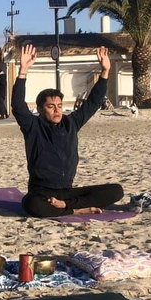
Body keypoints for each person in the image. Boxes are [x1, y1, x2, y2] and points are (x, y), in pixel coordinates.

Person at [12, 44, 123, 217]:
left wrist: (105, 72)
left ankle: (66, 206)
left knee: (117, 191)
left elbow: (92, 103)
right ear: (40, 109)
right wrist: (23, 70)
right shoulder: (33, 127)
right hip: (43, 193)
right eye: (50, 106)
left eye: (59, 106)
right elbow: (18, 105)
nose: (57, 110)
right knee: (30, 204)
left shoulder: (71, 123)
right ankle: (75, 209)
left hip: (67, 191)